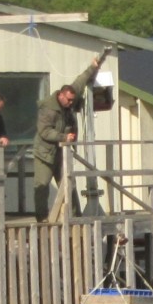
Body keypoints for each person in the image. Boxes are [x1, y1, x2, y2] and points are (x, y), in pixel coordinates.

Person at [32, 56, 102, 222]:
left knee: (69, 185)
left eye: (73, 99)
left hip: (62, 153)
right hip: (45, 153)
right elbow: (44, 132)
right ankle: (41, 219)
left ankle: (75, 217)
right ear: (61, 96)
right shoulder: (48, 109)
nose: (71, 103)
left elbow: (80, 81)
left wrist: (93, 67)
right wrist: (64, 136)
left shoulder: (69, 98)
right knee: (42, 186)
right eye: (69, 100)